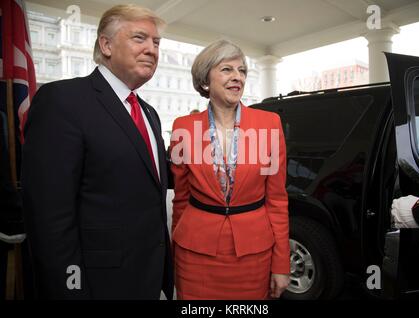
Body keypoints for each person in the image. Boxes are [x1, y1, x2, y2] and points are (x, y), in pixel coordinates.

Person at [21, 4, 173, 299]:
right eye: (139, 38)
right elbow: (49, 219)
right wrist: (70, 290)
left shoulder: (150, 114)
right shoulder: (63, 101)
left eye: (156, 43)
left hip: (148, 279)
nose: (152, 50)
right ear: (106, 45)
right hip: (94, 285)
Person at [169, 40, 290, 300]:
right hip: (195, 255)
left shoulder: (269, 124)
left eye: (242, 70)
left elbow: (277, 201)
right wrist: (174, 253)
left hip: (253, 256)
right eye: (227, 69)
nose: (237, 77)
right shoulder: (183, 128)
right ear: (205, 81)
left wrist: (281, 264)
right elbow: (181, 198)